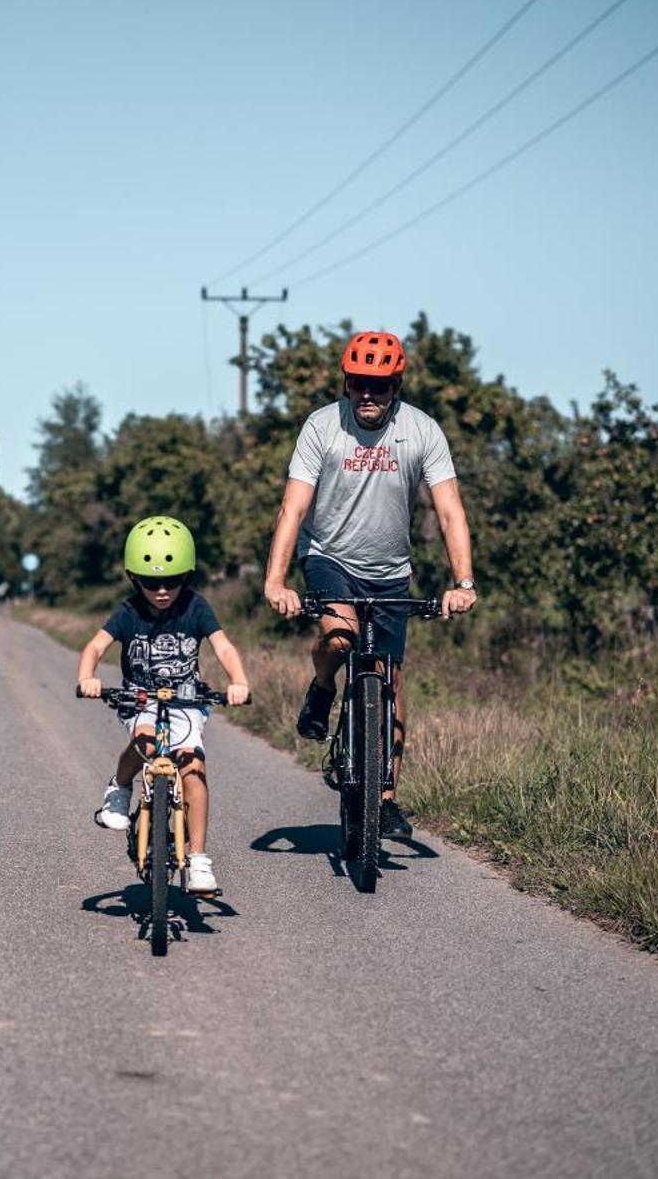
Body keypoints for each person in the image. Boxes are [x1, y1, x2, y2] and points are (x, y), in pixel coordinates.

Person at [260, 330, 478, 839]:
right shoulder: (321, 427)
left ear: (395, 387)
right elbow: (293, 509)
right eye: (359, 383)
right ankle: (321, 689)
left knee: (393, 682)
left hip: (391, 571)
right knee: (340, 635)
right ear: (346, 382)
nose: (367, 394)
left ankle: (386, 800)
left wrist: (462, 581)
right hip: (331, 558)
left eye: (379, 386)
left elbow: (450, 513)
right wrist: (276, 581)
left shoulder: (422, 430)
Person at [75, 516, 252, 896]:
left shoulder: (196, 607)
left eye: (171, 581)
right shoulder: (128, 611)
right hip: (140, 699)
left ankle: (200, 859)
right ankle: (120, 787)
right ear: (133, 578)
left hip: (187, 699)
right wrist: (87, 675)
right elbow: (94, 646)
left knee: (193, 765)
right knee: (147, 740)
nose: (161, 590)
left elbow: (222, 645)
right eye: (150, 581)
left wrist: (238, 681)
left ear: (186, 577)